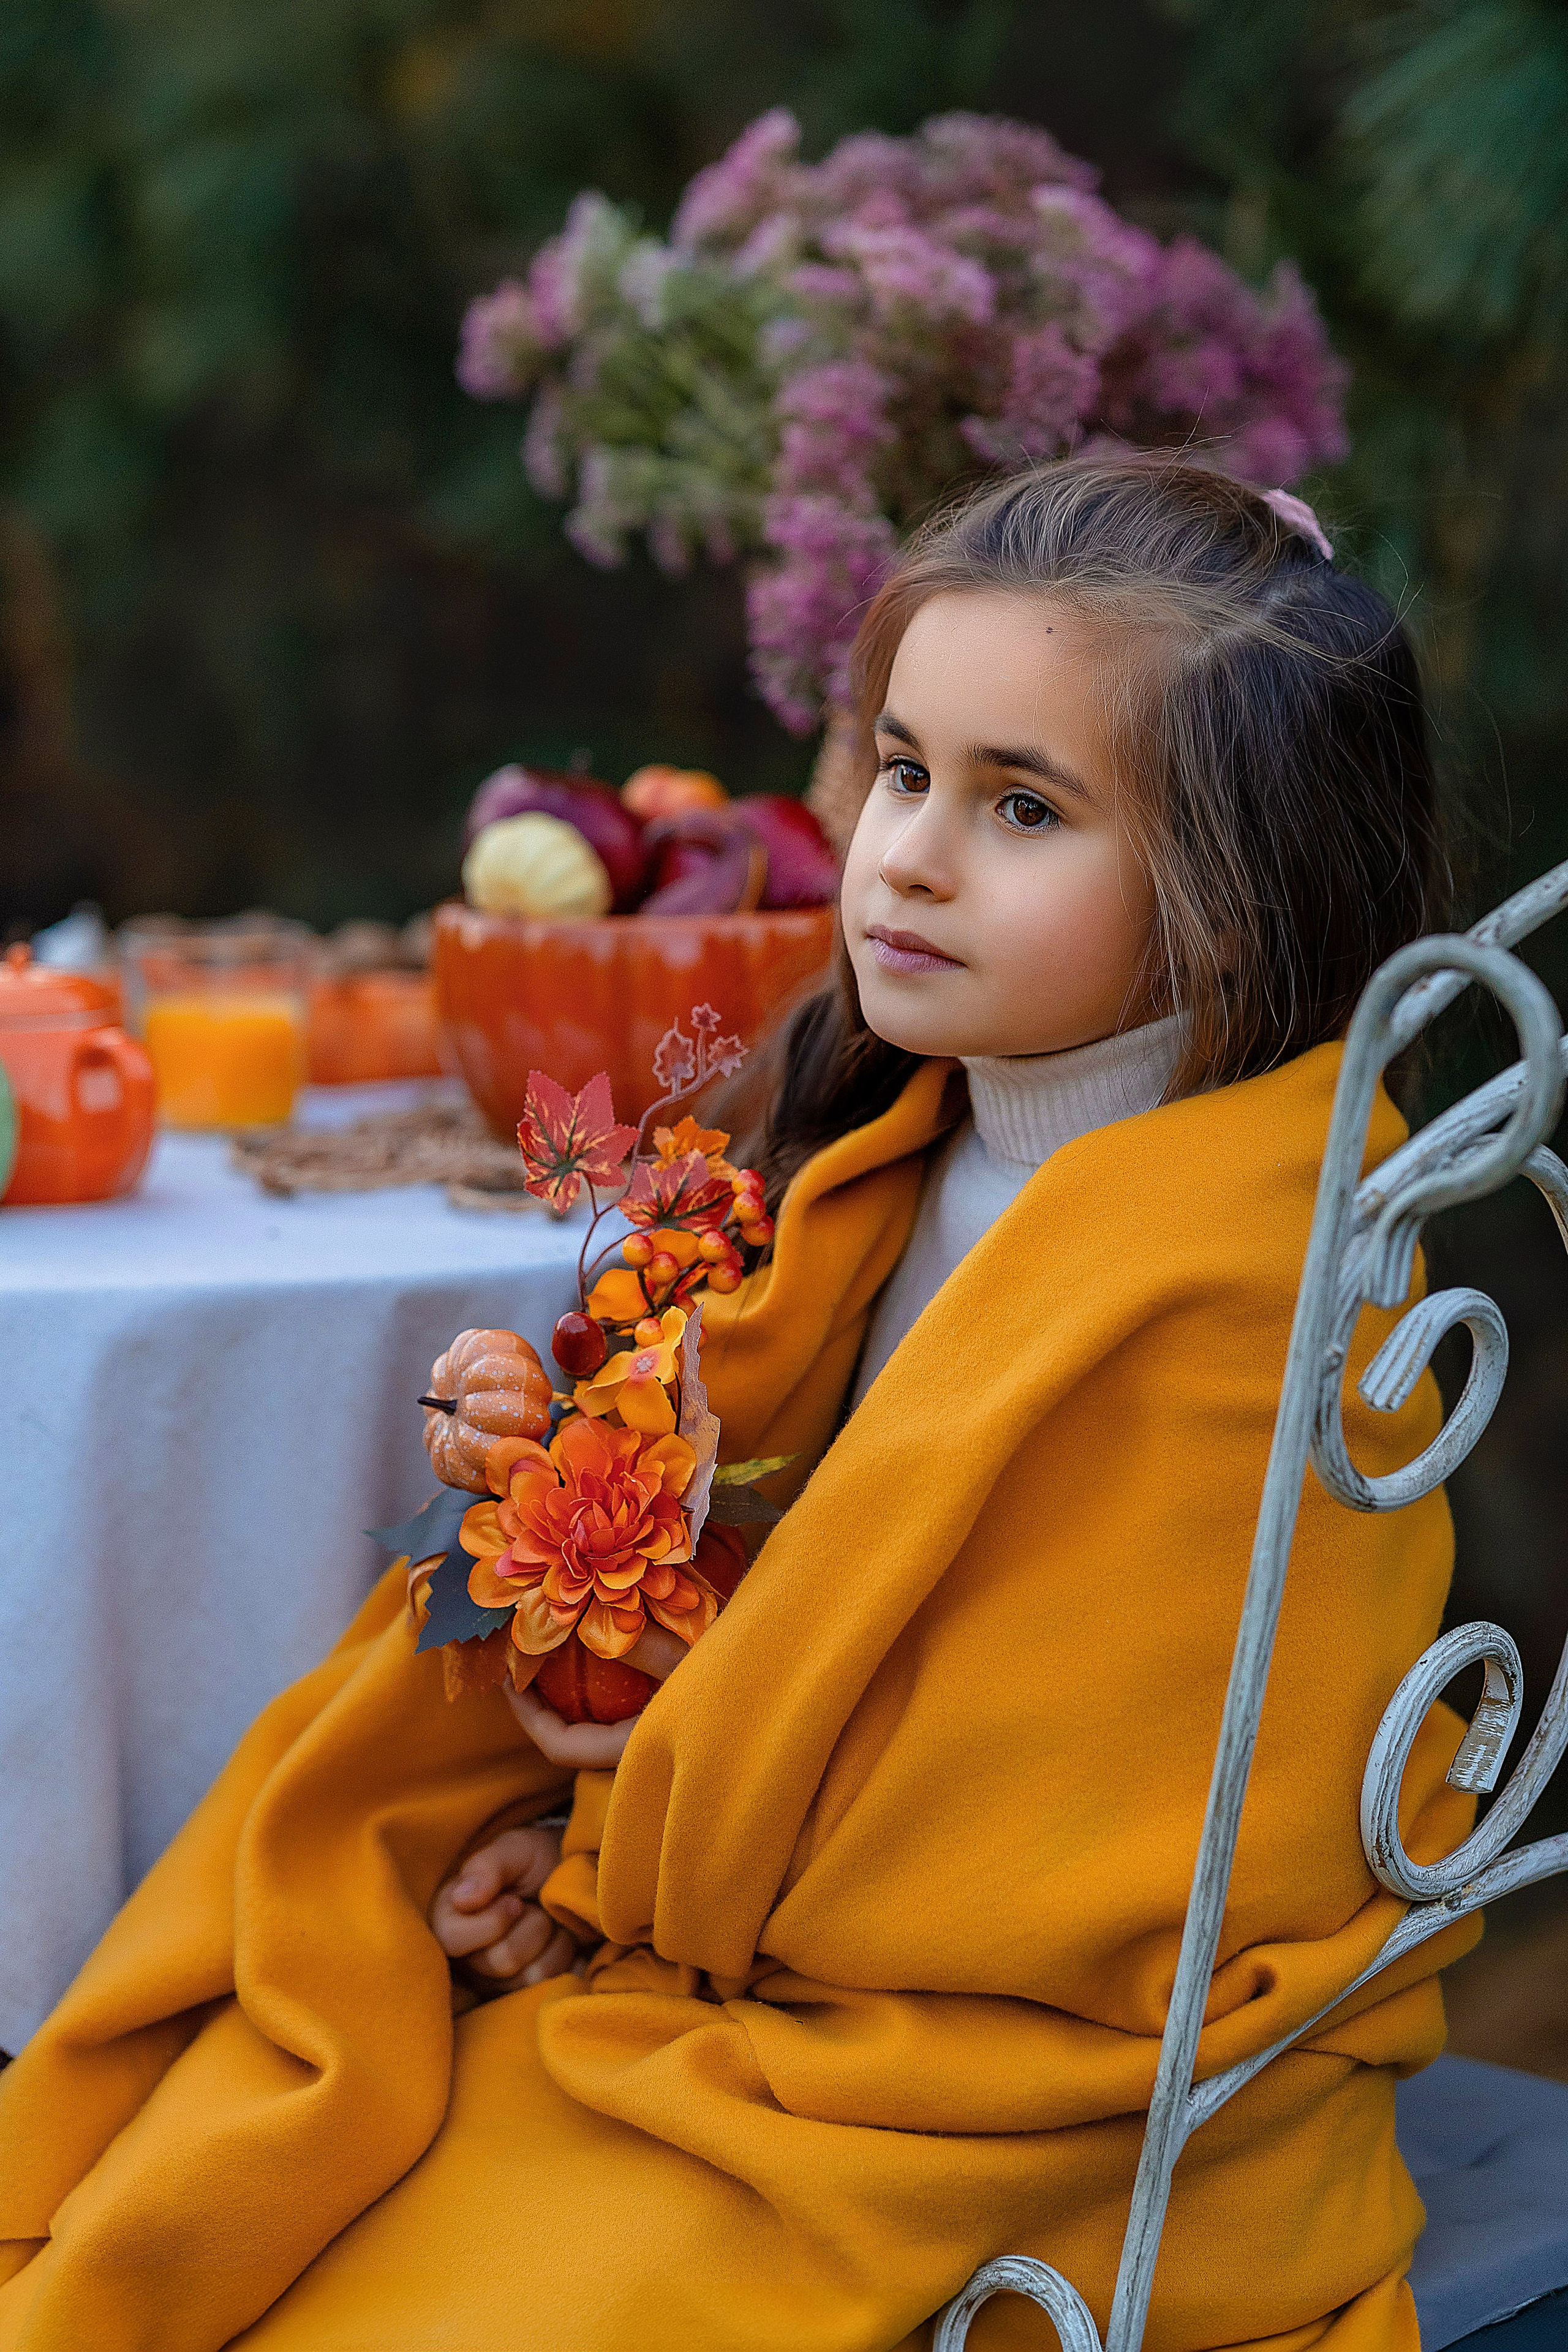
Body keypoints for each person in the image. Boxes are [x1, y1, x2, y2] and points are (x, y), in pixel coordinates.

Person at [0, 457, 1478, 2351]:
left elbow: (1058, 1847)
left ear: (1237, 884)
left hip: (1018, 2086)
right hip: (744, 1964)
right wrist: (581, 1757)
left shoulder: (1237, 1276)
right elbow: (831, 1605)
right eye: (906, 768)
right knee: (234, 2175)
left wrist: (625, 1849)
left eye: (1025, 806)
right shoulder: (897, 1154)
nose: (912, 854)